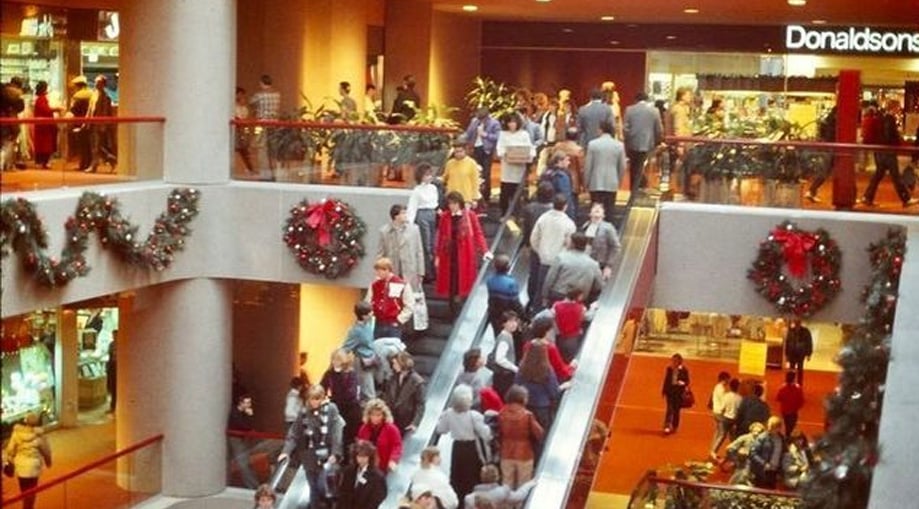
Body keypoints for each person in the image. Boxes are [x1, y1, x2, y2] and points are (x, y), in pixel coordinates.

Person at [279, 384, 344, 509]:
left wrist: (335, 453)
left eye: (317, 398)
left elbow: (337, 432)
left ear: (322, 398)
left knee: (324, 486)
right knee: (313, 488)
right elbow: (294, 434)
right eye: (312, 399)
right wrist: (286, 451)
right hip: (309, 458)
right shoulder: (303, 413)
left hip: (327, 457)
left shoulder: (331, 409)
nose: (314, 402)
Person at [435, 191, 492, 313]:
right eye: (450, 204)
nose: (452, 206)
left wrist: (485, 250)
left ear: (459, 203)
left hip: (465, 255)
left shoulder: (470, 215)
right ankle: (453, 308)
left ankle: (462, 306)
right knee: (451, 282)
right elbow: (440, 237)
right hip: (449, 255)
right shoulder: (445, 216)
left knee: (463, 281)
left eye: (454, 203)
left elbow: (478, 233)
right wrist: (438, 255)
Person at [435, 384, 492, 502]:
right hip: (472, 448)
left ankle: (458, 501)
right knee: (472, 476)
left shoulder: (449, 414)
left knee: (457, 476)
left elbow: (441, 429)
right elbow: (485, 433)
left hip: (457, 448)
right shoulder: (474, 416)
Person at [860, 100, 919, 207]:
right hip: (888, 151)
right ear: (894, 107)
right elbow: (889, 135)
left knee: (878, 174)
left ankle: (867, 197)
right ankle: (906, 199)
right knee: (895, 176)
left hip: (880, 150)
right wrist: (896, 141)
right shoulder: (889, 119)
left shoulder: (880, 117)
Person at [528, 193, 576, 311]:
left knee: (540, 289)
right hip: (560, 262)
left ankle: (536, 314)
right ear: (565, 206)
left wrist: (540, 251)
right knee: (556, 292)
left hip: (543, 260)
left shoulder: (543, 218)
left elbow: (534, 238)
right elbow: (570, 244)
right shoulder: (569, 223)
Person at [499, 385, 545, 489]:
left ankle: (506, 505)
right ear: (523, 398)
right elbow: (539, 433)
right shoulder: (527, 415)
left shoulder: (501, 413)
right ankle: (520, 505)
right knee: (523, 486)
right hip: (525, 454)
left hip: (506, 452)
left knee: (506, 484)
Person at [542, 232, 603, 308]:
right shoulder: (593, 264)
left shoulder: (561, 258)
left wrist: (545, 296)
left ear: (572, 244)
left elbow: (550, 278)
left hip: (558, 295)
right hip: (579, 299)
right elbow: (599, 285)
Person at [4, 412, 51, 509]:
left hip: (21, 467)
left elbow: (10, 450)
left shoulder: (17, 434)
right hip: (34, 467)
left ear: (25, 421)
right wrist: (48, 461)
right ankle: (28, 507)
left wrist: (10, 460)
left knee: (24, 491)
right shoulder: (39, 435)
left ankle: (27, 506)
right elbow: (46, 451)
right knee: (32, 491)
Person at [320, 348, 362, 454]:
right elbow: (322, 388)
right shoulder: (329, 374)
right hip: (337, 408)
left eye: (337, 359)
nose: (335, 362)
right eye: (333, 359)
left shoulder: (351, 374)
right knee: (336, 435)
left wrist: (334, 398)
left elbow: (351, 393)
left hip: (350, 409)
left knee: (348, 437)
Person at [623, 91, 663, 200]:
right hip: (648, 143)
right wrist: (658, 141)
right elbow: (659, 129)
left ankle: (633, 191)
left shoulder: (629, 110)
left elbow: (625, 128)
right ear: (647, 99)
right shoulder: (654, 111)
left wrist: (628, 139)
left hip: (632, 143)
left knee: (633, 167)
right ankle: (642, 189)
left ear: (636, 99)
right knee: (644, 166)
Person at [584, 121, 626, 221]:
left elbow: (588, 165)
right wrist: (618, 180)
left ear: (600, 130)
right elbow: (622, 166)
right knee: (610, 210)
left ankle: (595, 230)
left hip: (596, 181)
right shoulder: (619, 145)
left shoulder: (593, 144)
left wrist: (586, 181)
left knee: (596, 210)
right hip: (612, 182)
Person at [496, 112, 536, 216]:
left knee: (518, 193)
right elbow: (499, 149)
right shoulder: (503, 134)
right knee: (505, 192)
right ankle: (504, 213)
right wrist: (506, 153)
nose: (512, 125)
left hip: (519, 168)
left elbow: (530, 148)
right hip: (507, 168)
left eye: (514, 122)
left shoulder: (524, 134)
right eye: (509, 122)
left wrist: (529, 156)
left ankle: (517, 214)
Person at [515, 342, 561, 431]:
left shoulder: (522, 367)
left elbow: (517, 385)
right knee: (542, 433)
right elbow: (554, 391)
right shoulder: (547, 369)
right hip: (542, 408)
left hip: (526, 405)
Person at [378, 204, 425, 289]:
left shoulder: (414, 229)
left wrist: (421, 272)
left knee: (409, 296)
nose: (405, 215)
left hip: (410, 269)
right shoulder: (385, 231)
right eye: (403, 213)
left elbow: (419, 251)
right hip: (393, 269)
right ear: (396, 216)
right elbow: (381, 253)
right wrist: (380, 271)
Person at [366, 257, 414, 339]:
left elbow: (409, 305)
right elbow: (368, 301)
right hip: (378, 322)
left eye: (379, 271)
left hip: (393, 323)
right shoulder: (374, 285)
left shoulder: (402, 284)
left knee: (392, 349)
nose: (377, 274)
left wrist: (399, 320)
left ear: (387, 270)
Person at [407, 163, 440, 281]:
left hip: (432, 214)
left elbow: (435, 203)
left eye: (430, 175)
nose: (429, 177)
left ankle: (433, 270)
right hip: (422, 215)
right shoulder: (417, 191)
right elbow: (412, 208)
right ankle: (427, 272)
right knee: (426, 244)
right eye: (426, 175)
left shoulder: (433, 188)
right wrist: (409, 224)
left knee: (432, 243)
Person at [382, 351, 426, 436]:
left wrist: (415, 423)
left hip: (406, 421)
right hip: (392, 418)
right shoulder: (392, 377)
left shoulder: (417, 382)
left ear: (402, 363)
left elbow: (420, 404)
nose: (393, 366)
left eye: (395, 363)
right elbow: (387, 397)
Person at [465, 107, 502, 204]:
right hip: (475, 149)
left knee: (486, 174)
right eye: (479, 118)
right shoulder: (474, 121)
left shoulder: (494, 123)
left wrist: (485, 134)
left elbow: (498, 136)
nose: (480, 120)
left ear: (487, 117)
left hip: (487, 150)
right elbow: (468, 133)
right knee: (476, 172)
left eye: (482, 119)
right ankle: (475, 195)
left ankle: (486, 197)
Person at [342, 301, 378, 400]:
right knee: (368, 393)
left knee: (371, 390)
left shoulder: (369, 324)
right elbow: (345, 348)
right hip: (362, 363)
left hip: (372, 360)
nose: (372, 314)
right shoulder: (355, 331)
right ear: (363, 316)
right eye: (369, 313)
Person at [337, 440, 388, 509]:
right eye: (359, 456)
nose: (361, 459)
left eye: (365, 456)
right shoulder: (348, 471)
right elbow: (343, 494)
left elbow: (379, 497)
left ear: (370, 457)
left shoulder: (377, 476)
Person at [356, 398, 403, 473]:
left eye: (378, 415)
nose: (375, 418)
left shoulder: (391, 429)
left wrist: (393, 460)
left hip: (384, 467)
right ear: (368, 415)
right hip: (367, 467)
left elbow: (397, 446)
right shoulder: (363, 429)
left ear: (383, 415)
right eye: (373, 415)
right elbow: (360, 447)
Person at [463, 464, 537, 508]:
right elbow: (519, 496)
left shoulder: (469, 498)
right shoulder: (502, 492)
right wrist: (529, 484)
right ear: (497, 477)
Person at [486, 254, 525, 337]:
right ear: (508, 267)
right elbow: (516, 303)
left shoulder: (489, 280)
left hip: (494, 314)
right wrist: (524, 316)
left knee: (497, 335)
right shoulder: (511, 283)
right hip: (507, 315)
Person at [581, 202, 621, 280]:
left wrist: (609, 266)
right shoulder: (585, 226)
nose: (597, 209)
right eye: (594, 208)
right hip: (584, 262)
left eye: (600, 208)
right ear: (590, 213)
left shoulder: (608, 227)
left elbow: (615, 247)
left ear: (603, 215)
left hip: (599, 264)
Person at [86, 74, 117, 172]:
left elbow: (105, 112)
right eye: (95, 82)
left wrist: (103, 125)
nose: (96, 84)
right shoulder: (93, 95)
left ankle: (94, 165)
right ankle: (111, 158)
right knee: (95, 145)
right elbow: (90, 109)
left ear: (103, 84)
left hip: (99, 124)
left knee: (96, 145)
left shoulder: (105, 97)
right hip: (92, 123)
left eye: (98, 83)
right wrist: (86, 121)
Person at [250, 74, 281, 171]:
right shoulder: (277, 95)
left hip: (262, 122)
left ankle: (264, 170)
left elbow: (251, 102)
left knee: (261, 147)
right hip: (274, 122)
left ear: (262, 83)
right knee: (273, 147)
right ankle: (274, 168)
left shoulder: (259, 95)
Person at [487, 311, 521, 398]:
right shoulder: (504, 338)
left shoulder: (507, 335)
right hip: (504, 376)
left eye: (515, 321)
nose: (514, 324)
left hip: (502, 375)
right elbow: (499, 359)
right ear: (503, 324)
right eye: (510, 322)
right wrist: (515, 368)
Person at [442, 137, 482, 208]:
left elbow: (475, 182)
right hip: (452, 198)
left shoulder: (471, 163)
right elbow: (444, 178)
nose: (458, 154)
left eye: (460, 151)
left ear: (465, 151)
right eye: (456, 151)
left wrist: (474, 199)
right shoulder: (450, 163)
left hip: (466, 198)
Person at [32, 81, 62, 169]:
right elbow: (46, 110)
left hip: (43, 126)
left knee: (43, 145)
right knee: (45, 145)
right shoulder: (42, 99)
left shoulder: (40, 99)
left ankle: (42, 161)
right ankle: (43, 162)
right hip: (44, 127)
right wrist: (56, 109)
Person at [552, 288, 587, 363]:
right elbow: (584, 317)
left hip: (559, 337)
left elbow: (552, 317)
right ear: (577, 296)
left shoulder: (556, 305)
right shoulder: (581, 308)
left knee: (558, 359)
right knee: (569, 360)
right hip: (573, 338)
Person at [749, 415, 784, 489]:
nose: (770, 429)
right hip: (762, 471)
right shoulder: (762, 437)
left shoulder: (781, 439)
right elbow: (753, 453)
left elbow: (782, 453)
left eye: (773, 427)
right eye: (769, 427)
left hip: (774, 471)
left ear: (778, 428)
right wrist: (764, 464)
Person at [540, 150, 577, 220]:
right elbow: (566, 195)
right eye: (567, 160)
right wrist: (571, 215)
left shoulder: (545, 172)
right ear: (560, 161)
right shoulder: (562, 176)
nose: (569, 163)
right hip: (560, 210)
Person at [68, 75, 93, 171]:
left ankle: (83, 164)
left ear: (78, 86)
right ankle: (87, 164)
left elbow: (73, 110)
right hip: (89, 123)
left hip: (79, 122)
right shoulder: (91, 94)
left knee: (82, 145)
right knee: (88, 145)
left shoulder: (77, 96)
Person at [661, 353, 690, 435]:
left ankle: (675, 426)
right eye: (672, 361)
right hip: (670, 392)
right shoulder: (669, 369)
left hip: (678, 393)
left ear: (680, 362)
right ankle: (667, 426)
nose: (673, 363)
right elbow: (666, 380)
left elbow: (687, 381)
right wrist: (664, 390)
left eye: (675, 361)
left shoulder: (684, 370)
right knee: (669, 409)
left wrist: (682, 383)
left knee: (676, 410)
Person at [708, 371, 732, 461]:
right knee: (722, 434)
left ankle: (712, 450)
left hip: (716, 411)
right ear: (725, 379)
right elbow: (723, 402)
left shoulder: (717, 387)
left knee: (718, 432)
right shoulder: (721, 388)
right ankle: (713, 452)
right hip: (720, 413)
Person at [784, 319, 813, 385]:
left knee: (800, 369)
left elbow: (809, 342)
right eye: (796, 322)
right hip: (792, 353)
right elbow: (787, 342)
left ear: (800, 322)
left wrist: (809, 353)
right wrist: (787, 354)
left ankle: (799, 383)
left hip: (801, 353)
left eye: (798, 322)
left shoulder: (806, 331)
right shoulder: (791, 331)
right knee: (791, 369)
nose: (797, 323)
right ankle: (790, 382)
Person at [776, 370, 805, 436]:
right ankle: (789, 438)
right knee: (791, 428)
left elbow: (778, 398)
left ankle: (787, 437)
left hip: (785, 411)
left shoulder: (782, 388)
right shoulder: (798, 388)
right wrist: (797, 407)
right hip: (793, 411)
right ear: (794, 378)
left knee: (787, 425)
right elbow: (801, 401)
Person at [234, 86, 256, 174]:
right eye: (239, 95)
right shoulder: (232, 107)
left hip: (242, 131)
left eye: (242, 95)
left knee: (244, 150)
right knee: (239, 149)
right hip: (235, 130)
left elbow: (245, 117)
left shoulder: (244, 108)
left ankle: (249, 168)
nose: (241, 97)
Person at [106, 330, 117, 413]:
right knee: (113, 388)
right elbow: (110, 356)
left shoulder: (123, 343)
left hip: (119, 367)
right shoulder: (111, 344)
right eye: (113, 335)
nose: (114, 337)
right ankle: (112, 407)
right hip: (112, 366)